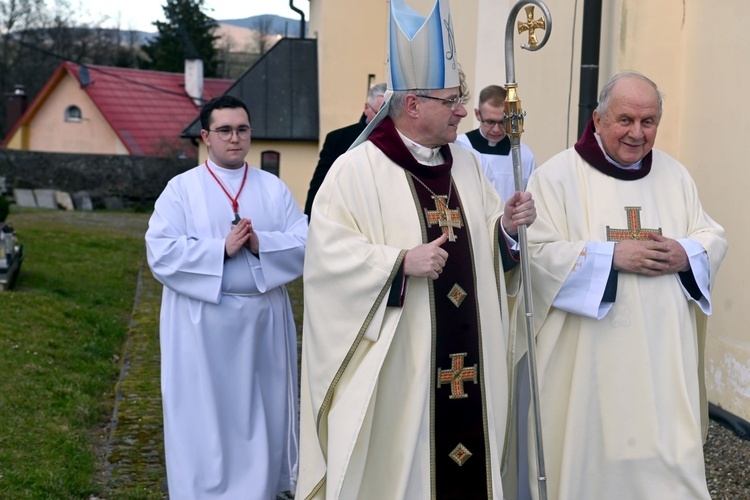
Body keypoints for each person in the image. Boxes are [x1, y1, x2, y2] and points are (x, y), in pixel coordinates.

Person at [295, 0, 536, 498]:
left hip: (467, 366)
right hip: (400, 376)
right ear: (412, 105)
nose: (463, 112)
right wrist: (399, 263)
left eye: (460, 98)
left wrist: (507, 231)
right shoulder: (355, 171)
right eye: (451, 101)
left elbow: (488, 247)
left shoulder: (465, 165)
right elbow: (327, 260)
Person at [517, 72, 727, 500]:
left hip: (662, 369)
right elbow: (535, 257)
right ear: (597, 119)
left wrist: (686, 252)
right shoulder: (556, 179)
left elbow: (712, 236)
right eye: (625, 120)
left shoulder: (675, 176)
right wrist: (611, 256)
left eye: (649, 122)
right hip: (586, 371)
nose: (637, 133)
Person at [145, 95, 307, 499]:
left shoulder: (273, 188)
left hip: (261, 322)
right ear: (205, 136)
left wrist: (259, 243)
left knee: (261, 413)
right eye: (225, 130)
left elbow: (307, 242)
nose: (235, 138)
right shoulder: (180, 190)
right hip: (201, 324)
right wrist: (219, 250)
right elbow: (160, 251)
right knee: (204, 416)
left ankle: (259, 490)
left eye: (242, 129)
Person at [303, 83, 387, 218]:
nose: (382, 120)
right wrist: (310, 220)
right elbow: (320, 185)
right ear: (366, 108)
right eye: (378, 114)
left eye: (387, 115)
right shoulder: (338, 139)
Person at [455, 84, 536, 202]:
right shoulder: (459, 147)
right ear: (478, 114)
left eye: (503, 122)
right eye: (490, 122)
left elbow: (531, 197)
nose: (496, 129)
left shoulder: (523, 155)